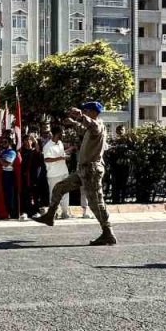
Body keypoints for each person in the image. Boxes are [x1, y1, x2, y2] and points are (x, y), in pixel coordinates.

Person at [33, 103, 116, 245]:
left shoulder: (98, 126)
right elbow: (84, 129)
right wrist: (73, 122)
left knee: (96, 203)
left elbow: (92, 125)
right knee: (59, 187)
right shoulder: (91, 129)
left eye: (86, 110)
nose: (84, 112)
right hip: (83, 170)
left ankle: (108, 232)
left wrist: (79, 116)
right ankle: (50, 216)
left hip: (91, 171)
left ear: (93, 112)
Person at [41, 126, 71, 220]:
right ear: (57, 134)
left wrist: (68, 151)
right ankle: (54, 213)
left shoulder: (60, 143)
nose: (63, 134)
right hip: (53, 174)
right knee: (54, 194)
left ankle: (64, 212)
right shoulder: (47, 146)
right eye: (61, 133)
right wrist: (61, 158)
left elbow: (60, 154)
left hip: (64, 172)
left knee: (65, 193)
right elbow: (47, 159)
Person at [0, 133, 18, 221]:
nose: (2, 144)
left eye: (5, 142)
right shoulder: (2, 151)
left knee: (9, 194)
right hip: (2, 174)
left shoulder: (12, 152)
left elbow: (6, 164)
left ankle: (11, 212)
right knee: (3, 194)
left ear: (9, 143)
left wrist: (0, 159)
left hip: (9, 174)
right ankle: (3, 212)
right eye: (2, 142)